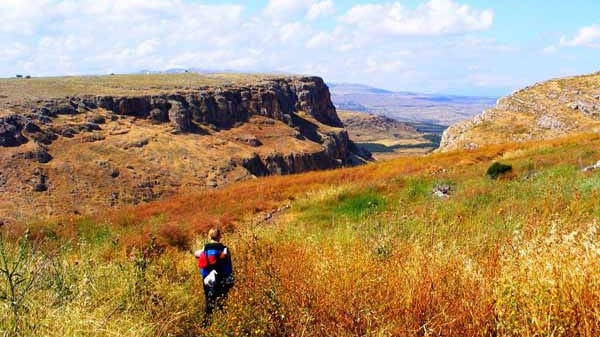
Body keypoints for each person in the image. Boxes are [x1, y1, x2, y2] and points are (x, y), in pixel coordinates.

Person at [195, 227, 233, 320]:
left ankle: (206, 325)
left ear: (209, 236)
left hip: (208, 280)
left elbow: (200, 261)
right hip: (221, 279)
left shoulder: (205, 249)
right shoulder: (224, 249)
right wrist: (230, 280)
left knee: (209, 303)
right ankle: (223, 322)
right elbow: (228, 267)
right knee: (222, 304)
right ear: (219, 236)